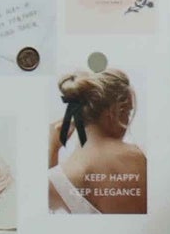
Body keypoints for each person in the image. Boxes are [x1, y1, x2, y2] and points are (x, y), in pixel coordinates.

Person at [48, 67, 146, 215]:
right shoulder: (143, 155)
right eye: (128, 111)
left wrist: (52, 149)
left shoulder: (58, 178)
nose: (127, 120)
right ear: (117, 110)